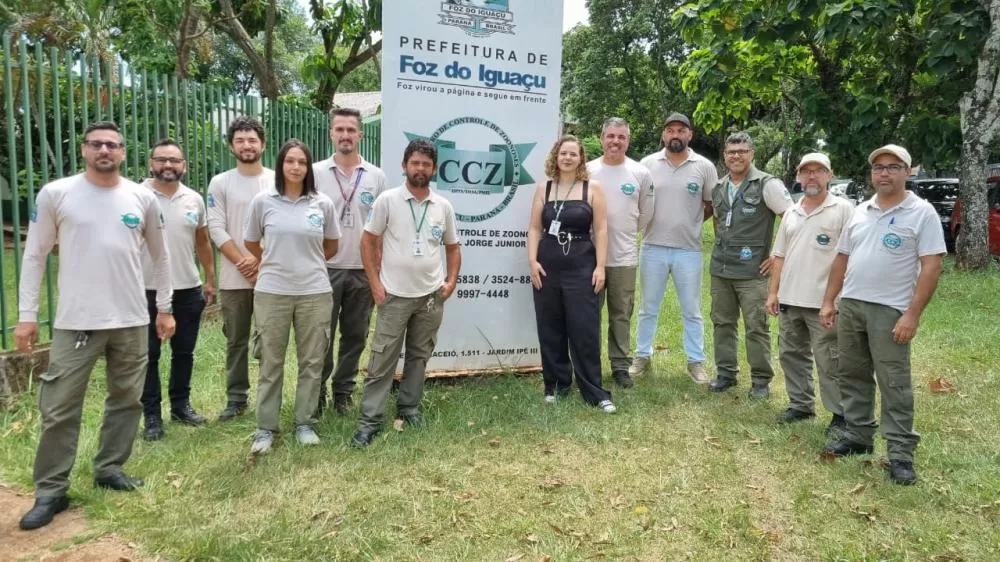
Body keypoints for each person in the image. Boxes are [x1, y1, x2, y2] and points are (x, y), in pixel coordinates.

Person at [16, 121, 175, 531]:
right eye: (96, 144)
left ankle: (109, 468)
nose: (105, 150)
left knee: (127, 399)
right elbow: (34, 256)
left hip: (131, 319)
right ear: (85, 150)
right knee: (59, 407)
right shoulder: (58, 194)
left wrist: (165, 308)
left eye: (113, 145)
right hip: (76, 322)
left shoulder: (142, 198)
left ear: (123, 152)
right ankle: (51, 490)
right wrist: (27, 315)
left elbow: (161, 259)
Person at [819, 144, 945, 485]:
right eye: (878, 168)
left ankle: (901, 453)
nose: (884, 173)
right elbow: (842, 258)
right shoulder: (861, 211)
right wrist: (830, 301)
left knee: (894, 382)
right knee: (852, 374)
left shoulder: (922, 213)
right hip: (852, 305)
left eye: (892, 167)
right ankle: (859, 436)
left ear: (908, 171)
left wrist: (912, 315)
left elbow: (931, 266)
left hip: (890, 310)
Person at [351, 139, 462, 447]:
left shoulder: (443, 207)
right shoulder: (387, 200)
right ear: (404, 166)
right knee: (382, 359)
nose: (420, 168)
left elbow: (453, 247)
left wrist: (450, 282)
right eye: (415, 163)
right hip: (394, 295)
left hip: (430, 296)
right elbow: (368, 240)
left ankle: (409, 408)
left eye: (426, 164)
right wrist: (375, 283)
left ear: (434, 169)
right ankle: (370, 421)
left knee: (418, 356)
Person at [244, 140, 341, 453]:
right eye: (290, 162)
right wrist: (276, 259)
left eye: (302, 162)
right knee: (270, 362)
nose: (296, 167)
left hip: (314, 291)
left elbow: (331, 247)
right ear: (281, 165)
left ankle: (304, 423)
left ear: (308, 167)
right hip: (272, 292)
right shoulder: (263, 201)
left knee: (312, 361)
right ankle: (265, 429)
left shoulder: (322, 203)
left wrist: (306, 261)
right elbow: (251, 243)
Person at [765, 153, 854, 433]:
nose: (812, 176)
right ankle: (801, 404)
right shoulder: (792, 210)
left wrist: (836, 298)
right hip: (790, 298)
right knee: (791, 354)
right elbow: (779, 255)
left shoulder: (843, 209)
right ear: (799, 176)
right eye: (806, 172)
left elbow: (851, 255)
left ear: (830, 175)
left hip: (823, 302)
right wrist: (773, 292)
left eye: (819, 171)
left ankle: (840, 415)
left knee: (830, 360)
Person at [527, 135, 617, 413]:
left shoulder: (593, 188)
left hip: (582, 266)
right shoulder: (544, 188)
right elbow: (533, 228)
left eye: (573, 154)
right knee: (550, 327)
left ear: (581, 159)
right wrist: (532, 261)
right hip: (548, 266)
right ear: (555, 156)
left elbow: (601, 230)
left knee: (585, 329)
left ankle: (595, 391)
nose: (567, 158)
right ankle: (556, 384)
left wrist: (600, 267)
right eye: (563, 153)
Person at [631, 113, 719, 384]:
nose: (675, 135)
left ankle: (696, 362)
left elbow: (710, 205)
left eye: (681, 130)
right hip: (653, 246)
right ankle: (641, 356)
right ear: (663, 135)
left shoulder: (704, 167)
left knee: (692, 310)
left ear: (690, 135)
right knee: (648, 307)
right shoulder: (646, 165)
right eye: (670, 130)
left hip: (689, 250)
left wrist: (688, 222)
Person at [140, 139, 217, 441]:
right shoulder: (136, 195)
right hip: (145, 289)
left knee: (184, 352)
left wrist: (210, 278)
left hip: (187, 288)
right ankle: (151, 416)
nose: (168, 165)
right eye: (162, 160)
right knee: (149, 355)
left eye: (175, 160)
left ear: (184, 165)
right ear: (151, 163)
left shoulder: (194, 199)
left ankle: (181, 406)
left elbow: (202, 242)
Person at [313, 107, 388, 416]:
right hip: (322, 269)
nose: (345, 135)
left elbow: (381, 229)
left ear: (361, 134)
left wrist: (379, 273)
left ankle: (343, 391)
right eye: (339, 129)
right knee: (320, 336)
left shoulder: (376, 176)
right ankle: (315, 393)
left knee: (355, 336)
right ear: (331, 134)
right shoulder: (315, 173)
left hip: (361, 269)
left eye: (350, 130)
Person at [708, 131, 792, 398]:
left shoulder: (767, 184)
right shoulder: (719, 187)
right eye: (731, 152)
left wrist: (778, 255)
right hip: (721, 269)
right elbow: (719, 220)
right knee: (722, 323)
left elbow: (792, 220)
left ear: (751, 154)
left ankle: (760, 381)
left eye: (742, 151)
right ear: (724, 156)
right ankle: (726, 374)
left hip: (752, 271)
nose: (736, 156)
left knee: (756, 326)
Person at [207, 116, 274, 421]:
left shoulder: (276, 180)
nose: (247, 145)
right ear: (231, 145)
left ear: (262, 143)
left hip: (271, 276)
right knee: (236, 340)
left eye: (252, 140)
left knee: (269, 339)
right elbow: (217, 229)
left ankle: (268, 395)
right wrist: (244, 262)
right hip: (235, 278)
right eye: (240, 140)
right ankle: (236, 398)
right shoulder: (220, 183)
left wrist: (260, 262)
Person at [586, 117, 654, 389]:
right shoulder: (588, 170)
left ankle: (619, 366)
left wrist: (623, 233)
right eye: (610, 136)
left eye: (621, 137)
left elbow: (645, 215)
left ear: (628, 140)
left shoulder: (640, 173)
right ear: (602, 138)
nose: (615, 141)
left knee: (621, 314)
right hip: (588, 257)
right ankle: (589, 364)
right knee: (589, 314)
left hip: (624, 256)